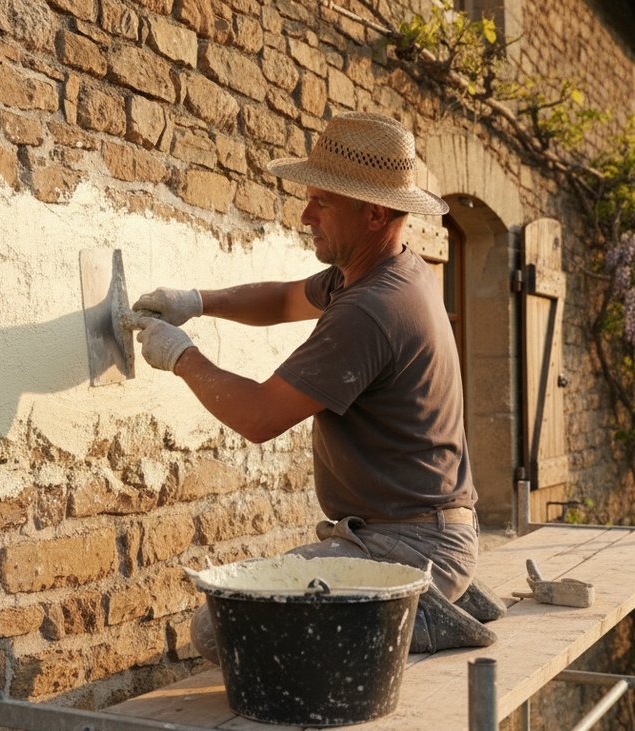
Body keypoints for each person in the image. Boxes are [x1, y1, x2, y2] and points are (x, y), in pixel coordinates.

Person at [133, 112, 502, 661]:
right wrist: (197, 301)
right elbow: (284, 300)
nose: (305, 215)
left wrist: (180, 356)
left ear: (373, 211)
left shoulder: (371, 309)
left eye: (321, 203)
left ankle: (420, 612)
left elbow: (260, 417)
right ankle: (416, 603)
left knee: (218, 631)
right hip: (409, 534)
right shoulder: (381, 269)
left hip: (410, 545)